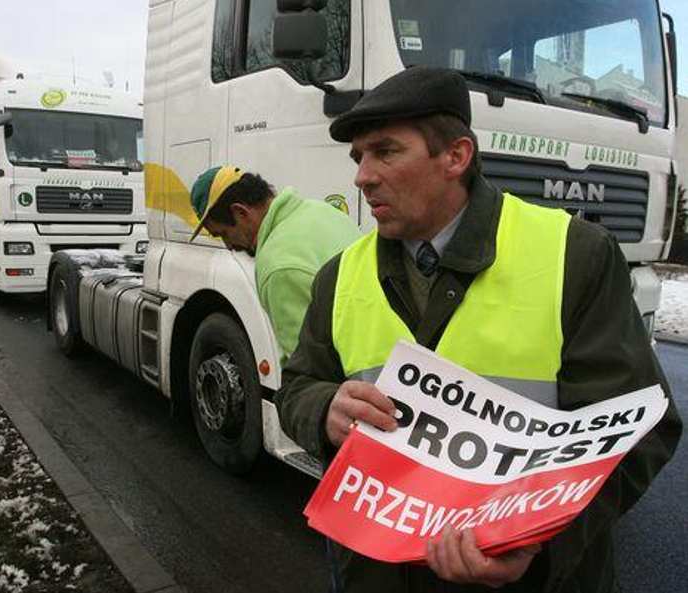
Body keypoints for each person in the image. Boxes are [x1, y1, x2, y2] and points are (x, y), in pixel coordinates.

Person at [275, 66, 682, 592]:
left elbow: (642, 428)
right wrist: (323, 409)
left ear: (456, 157)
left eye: (385, 152)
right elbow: (296, 388)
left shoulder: (573, 255)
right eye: (359, 157)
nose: (362, 176)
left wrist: (539, 543)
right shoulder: (339, 275)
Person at [189, 166, 362, 365]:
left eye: (224, 234)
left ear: (241, 213)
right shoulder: (322, 211)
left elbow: (308, 368)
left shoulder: (277, 266)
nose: (229, 246)